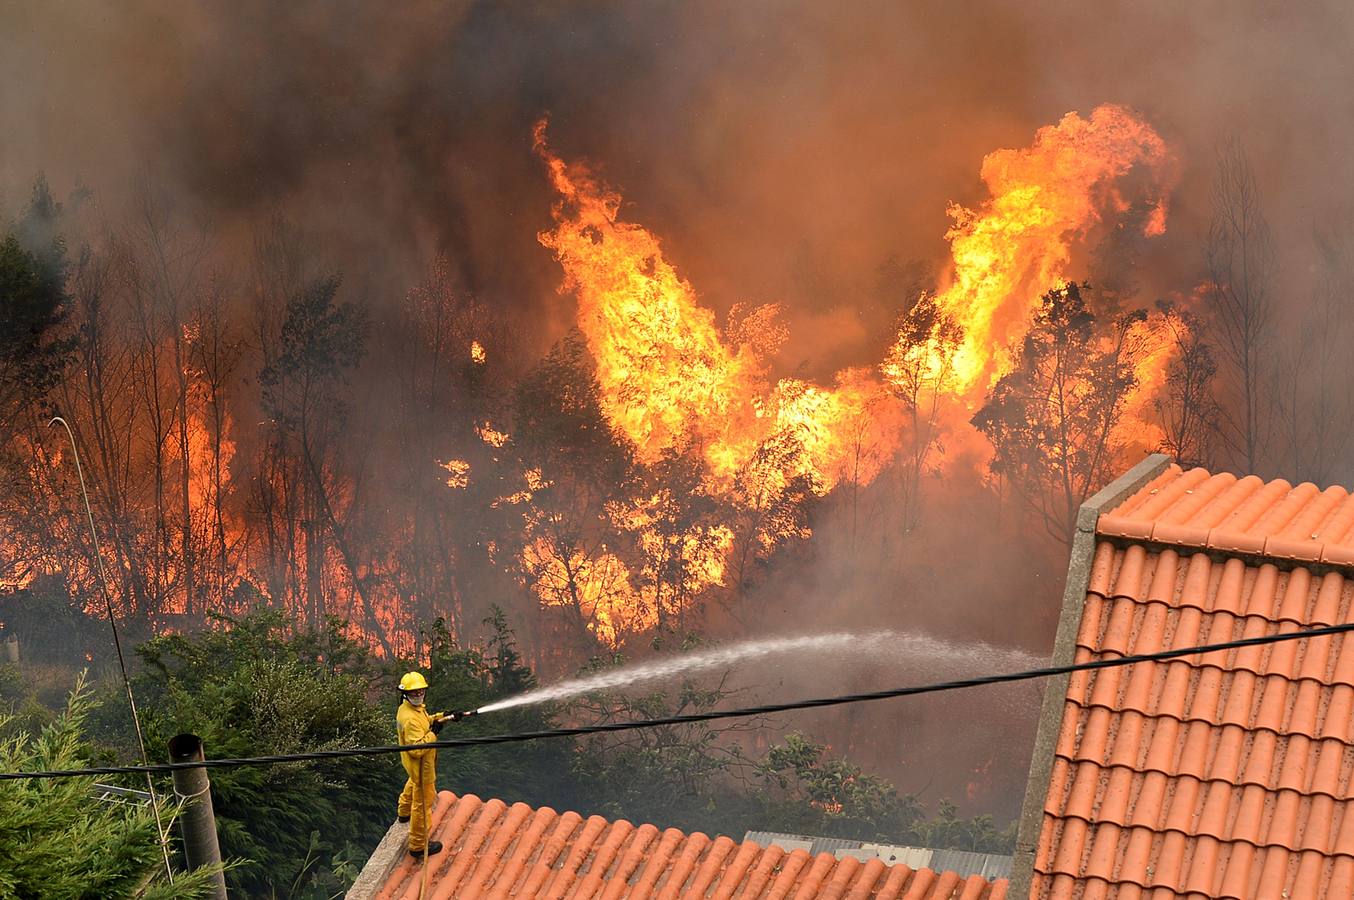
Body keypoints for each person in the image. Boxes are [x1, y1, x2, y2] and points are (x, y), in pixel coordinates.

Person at [396, 671, 448, 859]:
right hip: (422, 766)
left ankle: (403, 812)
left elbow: (424, 721)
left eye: (421, 692)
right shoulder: (410, 718)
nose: (418, 695)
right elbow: (417, 749)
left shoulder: (408, 709)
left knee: (412, 783)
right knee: (423, 804)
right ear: (405, 694)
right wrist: (434, 733)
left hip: (414, 767)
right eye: (414, 693)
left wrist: (444, 716)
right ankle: (418, 845)